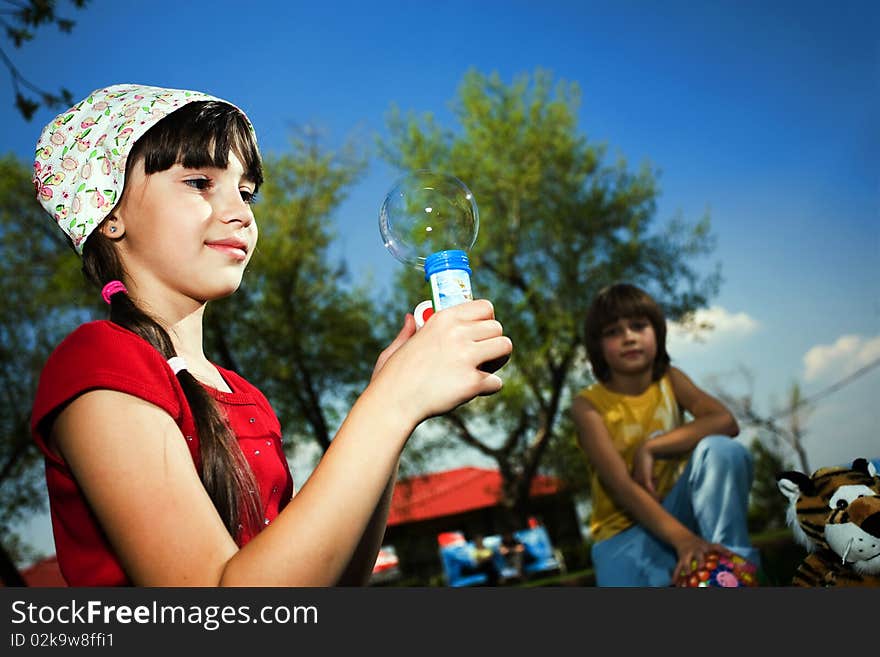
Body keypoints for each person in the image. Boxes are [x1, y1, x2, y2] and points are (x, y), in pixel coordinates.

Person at [30, 83, 512, 586]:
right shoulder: (98, 363)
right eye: (199, 182)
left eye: (245, 192)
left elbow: (330, 581)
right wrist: (389, 404)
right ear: (109, 214)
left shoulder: (244, 396)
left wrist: (392, 400)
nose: (240, 212)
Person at [571, 283, 759, 587]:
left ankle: (731, 565)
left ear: (657, 332)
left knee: (721, 450)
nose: (628, 337)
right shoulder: (587, 407)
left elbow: (725, 421)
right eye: (613, 332)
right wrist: (684, 541)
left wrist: (651, 447)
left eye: (638, 326)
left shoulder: (671, 379)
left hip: (677, 513)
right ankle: (692, 558)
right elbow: (622, 488)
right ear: (597, 347)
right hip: (624, 535)